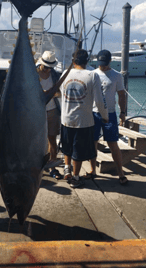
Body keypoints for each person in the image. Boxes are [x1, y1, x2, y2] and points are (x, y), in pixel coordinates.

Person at [60, 49, 108, 188]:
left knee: (67, 146)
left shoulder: (65, 73)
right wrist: (105, 116)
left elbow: (62, 94)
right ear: (87, 61)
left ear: (73, 61)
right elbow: (100, 100)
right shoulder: (92, 75)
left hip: (66, 118)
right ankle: (75, 178)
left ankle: (67, 169)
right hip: (84, 120)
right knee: (78, 150)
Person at [85, 50, 128, 185]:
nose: (102, 66)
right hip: (93, 113)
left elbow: (121, 95)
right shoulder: (92, 74)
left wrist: (122, 112)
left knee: (113, 144)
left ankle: (120, 172)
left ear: (110, 62)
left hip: (110, 114)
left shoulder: (116, 76)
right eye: (100, 64)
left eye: (104, 64)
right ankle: (93, 170)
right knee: (93, 142)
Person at [37, 51, 62, 179]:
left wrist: (50, 93)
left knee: (52, 139)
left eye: (50, 67)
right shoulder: (33, 74)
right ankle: (35, 165)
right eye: (45, 66)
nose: (47, 69)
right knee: (34, 140)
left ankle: (52, 167)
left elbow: (58, 92)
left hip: (52, 110)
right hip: (36, 112)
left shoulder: (55, 75)